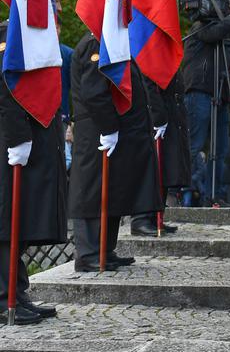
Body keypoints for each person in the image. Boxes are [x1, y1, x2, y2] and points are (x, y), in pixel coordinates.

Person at [68, 34, 162, 271]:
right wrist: (108, 127)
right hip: (96, 130)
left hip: (110, 128)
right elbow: (94, 92)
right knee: (92, 189)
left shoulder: (110, 39)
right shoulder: (94, 44)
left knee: (110, 189)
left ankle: (105, 249)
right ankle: (88, 253)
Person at [0, 22, 65, 323]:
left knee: (19, 221)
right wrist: (17, 138)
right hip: (7, 145)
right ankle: (4, 299)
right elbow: (6, 89)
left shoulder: (27, 35)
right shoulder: (8, 37)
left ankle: (18, 292)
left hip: (21, 142)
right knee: (5, 223)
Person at [182, 0, 230, 205]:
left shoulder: (222, 37)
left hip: (221, 94)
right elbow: (214, 34)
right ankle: (183, 191)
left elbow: (218, 51)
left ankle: (214, 194)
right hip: (199, 92)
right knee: (195, 145)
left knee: (221, 149)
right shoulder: (201, 27)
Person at [132, 71, 189, 236]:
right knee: (153, 168)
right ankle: (141, 218)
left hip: (170, 111)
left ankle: (157, 216)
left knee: (166, 167)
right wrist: (158, 117)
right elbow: (149, 84)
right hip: (156, 116)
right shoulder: (152, 50)